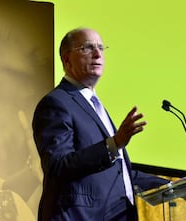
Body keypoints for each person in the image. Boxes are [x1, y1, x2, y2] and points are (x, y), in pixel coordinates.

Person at [32, 28, 169, 221]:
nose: (97, 54)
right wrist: (114, 144)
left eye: (100, 48)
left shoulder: (94, 105)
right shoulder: (56, 103)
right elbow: (58, 166)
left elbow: (118, 173)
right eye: (87, 48)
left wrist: (170, 185)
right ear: (67, 59)